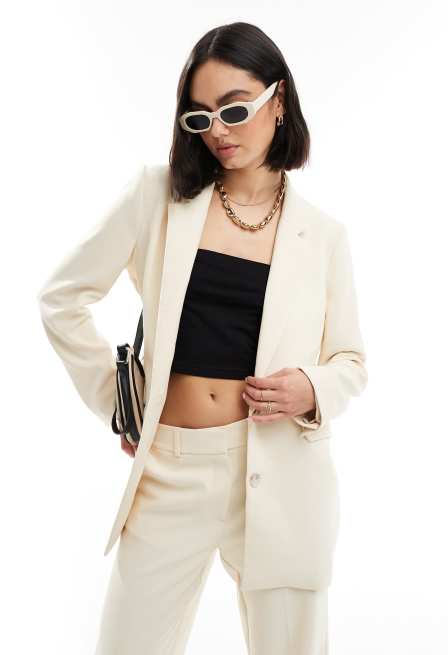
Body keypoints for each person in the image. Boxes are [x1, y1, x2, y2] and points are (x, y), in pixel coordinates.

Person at [37, 21, 368, 655]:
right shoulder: (155, 195)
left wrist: (312, 387)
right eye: (200, 116)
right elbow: (62, 299)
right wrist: (120, 402)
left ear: (278, 101)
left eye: (234, 109)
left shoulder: (323, 236)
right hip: (170, 467)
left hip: (281, 470)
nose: (217, 130)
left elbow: (351, 361)